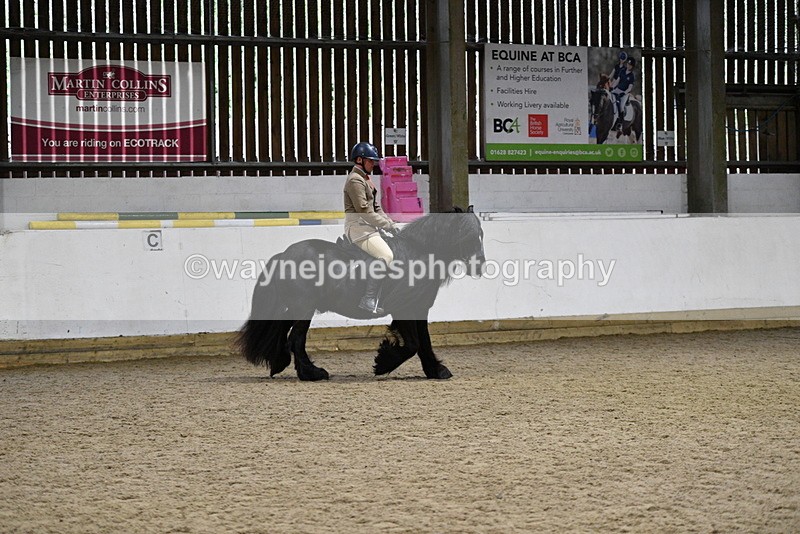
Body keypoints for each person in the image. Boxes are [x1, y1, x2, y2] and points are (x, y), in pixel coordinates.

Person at [343, 142, 401, 314]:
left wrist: (390, 222)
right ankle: (368, 299)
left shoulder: (366, 179)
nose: (373, 164)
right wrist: (387, 225)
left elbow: (376, 208)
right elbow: (364, 212)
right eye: (370, 161)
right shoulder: (355, 180)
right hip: (358, 228)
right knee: (386, 254)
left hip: (369, 227)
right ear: (359, 160)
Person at [610, 56, 636, 130]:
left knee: (621, 106)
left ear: (632, 66)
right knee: (610, 98)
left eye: (630, 65)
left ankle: (620, 123)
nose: (628, 65)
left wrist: (624, 93)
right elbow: (617, 80)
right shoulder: (622, 71)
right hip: (618, 89)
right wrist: (612, 87)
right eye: (628, 64)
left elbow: (630, 87)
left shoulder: (632, 76)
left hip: (625, 93)